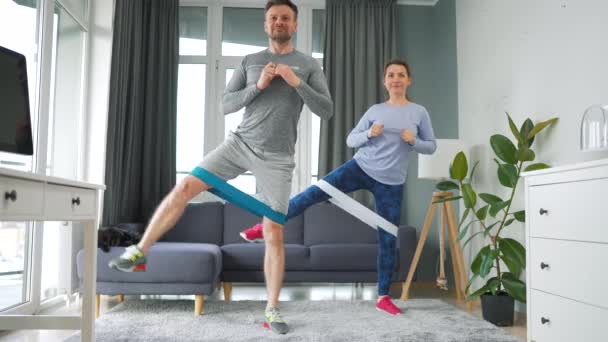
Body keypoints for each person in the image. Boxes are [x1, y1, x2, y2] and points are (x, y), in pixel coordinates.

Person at [108, 0, 333, 335]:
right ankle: (140, 251)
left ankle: (271, 309)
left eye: (286, 18)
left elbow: (326, 110)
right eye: (273, 18)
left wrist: (295, 82)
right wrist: (257, 86)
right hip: (238, 144)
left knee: (273, 230)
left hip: (277, 158)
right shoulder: (250, 61)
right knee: (184, 187)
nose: (279, 22)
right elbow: (225, 104)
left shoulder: (307, 64)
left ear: (295, 25)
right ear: (266, 25)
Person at [240, 59, 437, 315]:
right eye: (391, 75)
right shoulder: (376, 110)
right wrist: (369, 135)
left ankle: (383, 297)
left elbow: (431, 146)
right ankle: (263, 226)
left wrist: (415, 141)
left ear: (408, 80)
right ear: (385, 81)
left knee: (388, 237)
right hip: (360, 167)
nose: (396, 79)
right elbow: (351, 139)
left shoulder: (418, 112)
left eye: (401, 75)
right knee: (313, 193)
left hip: (392, 182)